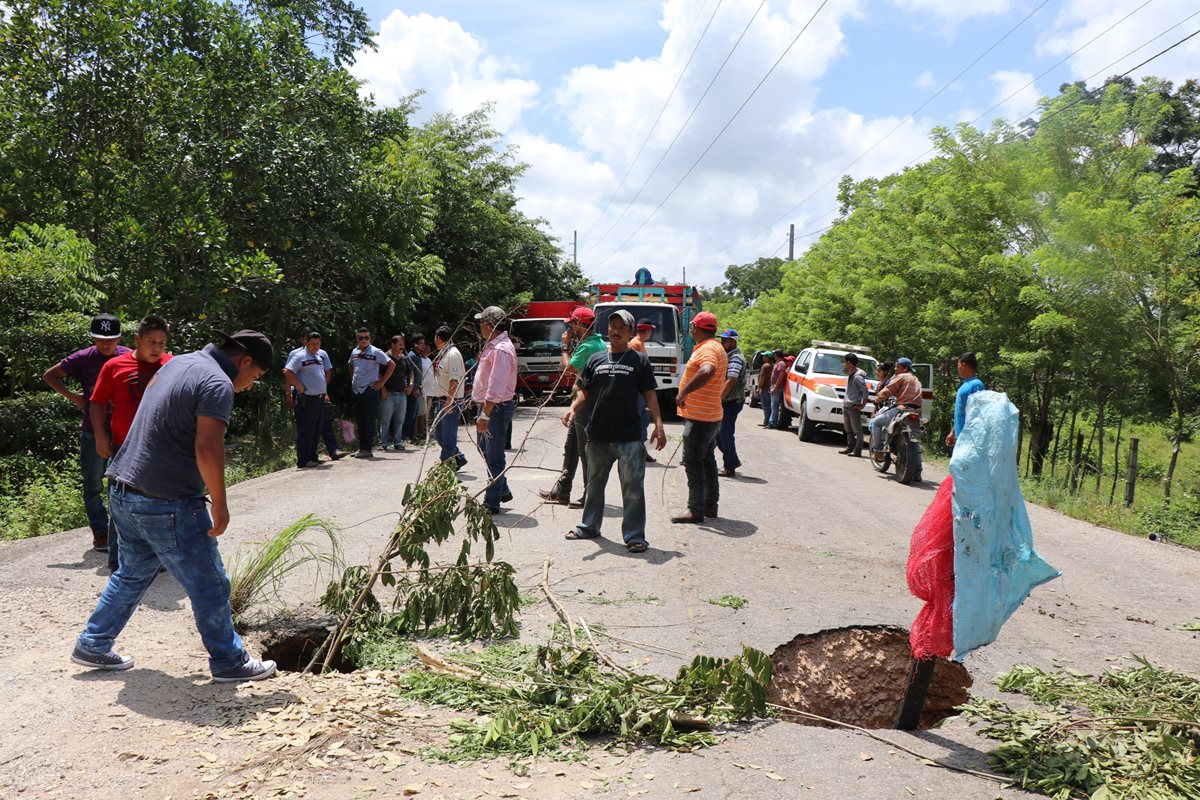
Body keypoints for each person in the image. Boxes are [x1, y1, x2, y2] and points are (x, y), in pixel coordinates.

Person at [71, 330, 278, 683]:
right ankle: (229, 661)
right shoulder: (217, 382)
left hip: (123, 488)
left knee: (133, 573)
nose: (250, 384)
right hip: (165, 500)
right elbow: (208, 448)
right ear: (244, 361)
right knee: (210, 583)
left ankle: (93, 643)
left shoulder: (179, 362)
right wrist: (222, 505)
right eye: (255, 376)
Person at [563, 311, 666, 553]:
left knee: (632, 487)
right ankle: (588, 526)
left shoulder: (639, 360)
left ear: (630, 332)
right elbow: (584, 392)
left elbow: (650, 393)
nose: (615, 330)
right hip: (598, 434)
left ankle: (634, 536)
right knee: (594, 484)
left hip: (629, 436)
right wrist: (572, 408)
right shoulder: (596, 359)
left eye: (621, 327)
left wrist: (658, 423)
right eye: (612, 326)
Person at [88, 315, 173, 570]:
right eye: (151, 342)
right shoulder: (115, 366)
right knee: (121, 505)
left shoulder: (172, 365)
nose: (157, 347)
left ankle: (157, 561)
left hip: (162, 447)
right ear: (137, 339)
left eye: (161, 342)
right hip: (124, 446)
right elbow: (97, 402)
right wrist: (101, 437)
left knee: (160, 503)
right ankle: (118, 562)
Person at [43, 313, 132, 552]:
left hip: (124, 432)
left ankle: (121, 533)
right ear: (93, 338)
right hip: (93, 430)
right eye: (101, 339)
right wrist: (75, 399)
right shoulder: (82, 358)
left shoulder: (128, 356)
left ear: (119, 338)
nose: (105, 344)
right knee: (93, 485)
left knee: (123, 485)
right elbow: (50, 375)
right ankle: (101, 533)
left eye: (111, 339)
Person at [538, 307, 605, 507]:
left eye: (573, 324)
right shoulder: (596, 342)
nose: (570, 327)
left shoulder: (588, 347)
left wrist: (565, 347)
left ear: (582, 326)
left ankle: (589, 496)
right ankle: (563, 491)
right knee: (572, 448)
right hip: (583, 402)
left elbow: (568, 369)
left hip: (586, 404)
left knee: (584, 451)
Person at [671, 311, 727, 523]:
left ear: (696, 328)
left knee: (692, 462)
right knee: (707, 460)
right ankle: (710, 504)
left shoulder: (709, 348)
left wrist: (684, 391)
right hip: (710, 415)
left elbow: (707, 370)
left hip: (701, 418)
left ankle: (695, 509)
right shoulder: (714, 347)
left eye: (692, 327)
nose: (691, 330)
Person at [472, 307, 518, 513]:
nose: (479, 327)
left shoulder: (500, 349)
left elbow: (496, 385)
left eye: (481, 323)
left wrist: (485, 413)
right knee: (485, 449)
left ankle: (492, 502)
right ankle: (502, 489)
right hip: (490, 406)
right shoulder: (494, 346)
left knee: (494, 455)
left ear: (489, 325)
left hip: (495, 408)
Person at [283, 332, 340, 468]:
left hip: (319, 398)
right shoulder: (300, 356)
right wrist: (298, 385)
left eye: (317, 344)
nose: (315, 346)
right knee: (306, 430)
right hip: (307, 398)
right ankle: (303, 460)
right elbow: (287, 371)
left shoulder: (319, 356)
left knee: (315, 429)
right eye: (312, 344)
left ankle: (312, 457)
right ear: (306, 343)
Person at [347, 328, 394, 458]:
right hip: (357, 390)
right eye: (361, 338)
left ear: (370, 338)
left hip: (370, 389)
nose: (363, 340)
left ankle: (367, 449)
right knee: (360, 419)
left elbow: (391, 364)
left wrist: (382, 382)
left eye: (366, 338)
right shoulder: (354, 352)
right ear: (357, 338)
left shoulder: (376, 352)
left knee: (369, 419)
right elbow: (350, 365)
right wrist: (352, 380)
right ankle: (361, 447)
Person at [429, 325, 467, 468]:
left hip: (450, 401)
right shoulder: (444, 353)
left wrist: (449, 402)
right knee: (439, 435)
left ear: (438, 338)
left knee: (448, 437)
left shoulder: (453, 355)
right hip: (441, 400)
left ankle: (445, 467)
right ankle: (458, 457)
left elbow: (454, 380)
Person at [869, 357, 923, 458]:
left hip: (903, 409)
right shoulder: (916, 379)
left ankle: (878, 450)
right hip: (916, 411)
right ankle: (918, 468)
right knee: (915, 440)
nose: (895, 369)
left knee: (876, 422)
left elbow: (888, 390)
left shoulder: (902, 376)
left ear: (905, 369)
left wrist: (877, 399)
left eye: (898, 367)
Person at [716, 329, 746, 477]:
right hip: (727, 400)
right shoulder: (728, 356)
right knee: (717, 434)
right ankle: (733, 459)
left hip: (732, 401)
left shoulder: (735, 358)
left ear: (733, 342)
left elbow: (731, 380)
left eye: (726, 340)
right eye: (722, 340)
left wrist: (719, 398)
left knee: (724, 433)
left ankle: (729, 467)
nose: (723, 343)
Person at [379, 334, 412, 451]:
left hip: (402, 394)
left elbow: (410, 372)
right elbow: (379, 375)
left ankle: (398, 442)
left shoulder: (404, 358)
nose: (402, 347)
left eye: (402, 345)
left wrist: (410, 385)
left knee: (399, 420)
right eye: (399, 345)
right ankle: (383, 443)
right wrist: (383, 390)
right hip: (389, 394)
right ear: (392, 345)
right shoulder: (385, 358)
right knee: (385, 420)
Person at [946, 352, 985, 448]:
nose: (957, 368)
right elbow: (961, 411)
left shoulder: (976, 384)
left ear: (964, 365)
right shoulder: (965, 385)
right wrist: (953, 431)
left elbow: (977, 412)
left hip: (969, 437)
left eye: (958, 365)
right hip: (960, 435)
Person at [630, 318, 655, 461]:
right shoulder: (635, 344)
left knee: (644, 420)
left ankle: (641, 450)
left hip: (641, 390)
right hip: (637, 391)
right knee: (639, 421)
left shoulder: (639, 343)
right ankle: (636, 452)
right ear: (648, 330)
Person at [840, 353, 868, 457]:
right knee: (848, 430)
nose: (844, 364)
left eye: (845, 362)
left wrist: (862, 405)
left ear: (850, 363)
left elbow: (865, 391)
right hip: (846, 406)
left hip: (853, 407)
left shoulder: (858, 377)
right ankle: (849, 447)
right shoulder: (851, 374)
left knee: (857, 430)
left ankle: (858, 450)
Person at [402, 334, 426, 443]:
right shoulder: (411, 356)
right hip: (412, 388)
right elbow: (411, 373)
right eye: (421, 343)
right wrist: (414, 388)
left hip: (418, 388)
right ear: (415, 344)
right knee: (410, 412)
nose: (423, 345)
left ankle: (411, 434)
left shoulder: (418, 355)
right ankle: (407, 434)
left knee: (415, 413)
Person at [767, 349, 788, 430]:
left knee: (774, 406)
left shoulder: (781, 364)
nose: (773, 356)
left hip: (777, 388)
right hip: (774, 387)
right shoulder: (778, 363)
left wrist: (775, 388)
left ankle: (772, 423)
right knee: (773, 406)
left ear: (777, 355)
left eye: (774, 354)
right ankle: (771, 422)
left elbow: (781, 376)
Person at [757, 351, 775, 426]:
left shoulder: (765, 366)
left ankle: (766, 421)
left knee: (765, 405)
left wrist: (759, 387)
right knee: (771, 406)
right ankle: (769, 420)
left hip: (765, 388)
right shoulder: (773, 365)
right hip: (771, 388)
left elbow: (762, 377)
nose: (763, 357)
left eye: (764, 356)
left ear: (768, 357)